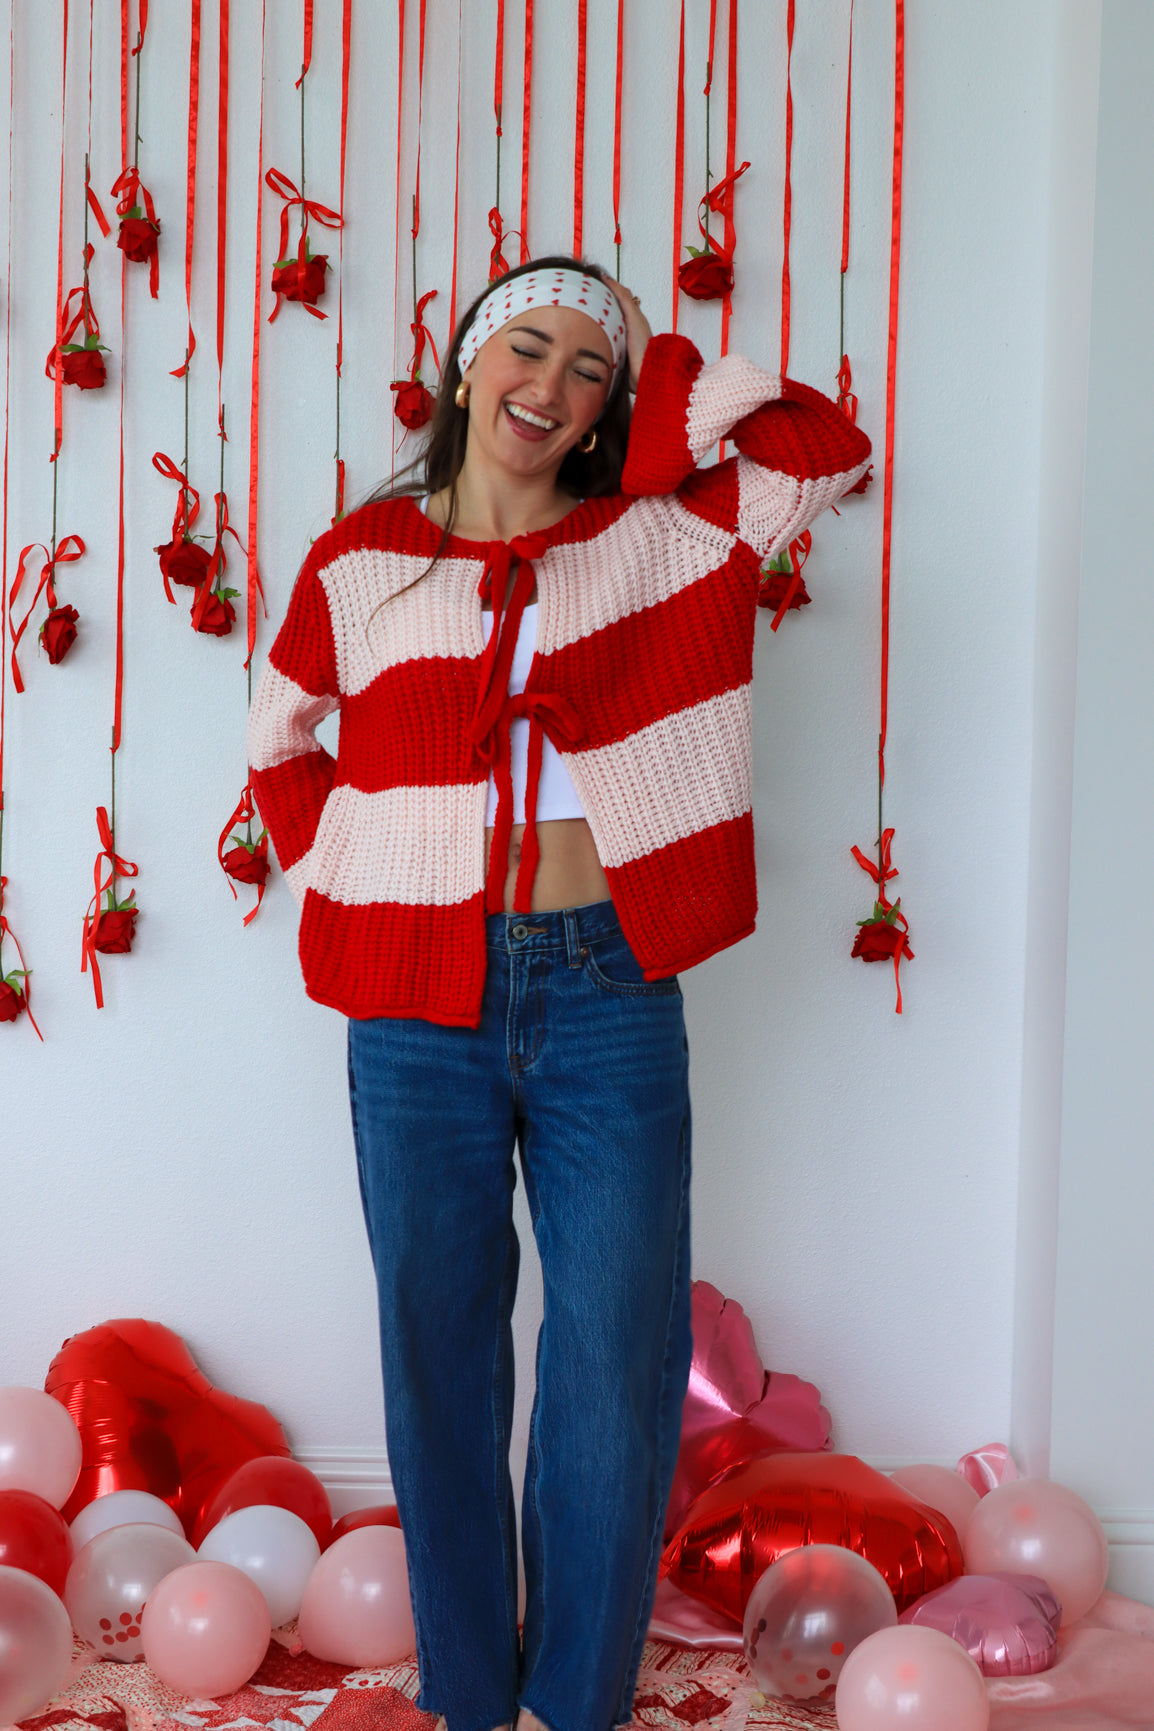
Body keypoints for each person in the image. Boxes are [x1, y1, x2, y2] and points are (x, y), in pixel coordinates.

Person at [248, 255, 870, 1731]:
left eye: (588, 368)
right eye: (525, 349)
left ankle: (574, 1705)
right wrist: (360, 860)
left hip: (605, 989)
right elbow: (280, 740)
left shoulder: (662, 536)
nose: (550, 385)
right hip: (414, 1005)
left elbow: (818, 451)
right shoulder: (361, 560)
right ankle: (473, 1699)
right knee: (440, 1353)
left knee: (610, 1359)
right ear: (466, 367)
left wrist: (661, 408)